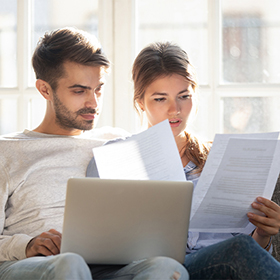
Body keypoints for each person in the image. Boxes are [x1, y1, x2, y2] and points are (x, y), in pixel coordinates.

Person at [0, 28, 189, 280]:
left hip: (108, 266)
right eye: (79, 91)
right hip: (35, 264)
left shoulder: (116, 142)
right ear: (45, 90)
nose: (94, 103)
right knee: (70, 265)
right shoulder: (8, 151)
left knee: (166, 269)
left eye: (98, 89)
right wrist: (26, 244)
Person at [131, 42, 280, 279]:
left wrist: (263, 233)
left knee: (240, 248)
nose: (174, 110)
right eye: (160, 99)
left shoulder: (220, 157)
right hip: (162, 269)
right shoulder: (119, 159)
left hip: (224, 267)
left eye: (184, 96)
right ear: (140, 102)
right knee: (238, 250)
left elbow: (251, 253)